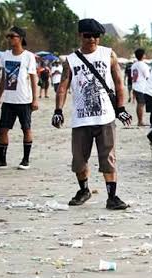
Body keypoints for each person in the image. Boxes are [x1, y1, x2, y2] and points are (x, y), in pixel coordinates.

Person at [50, 18, 132, 210]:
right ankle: (84, 190)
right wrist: (58, 111)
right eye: (88, 36)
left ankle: (112, 197)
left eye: (96, 36)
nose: (93, 39)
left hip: (105, 117)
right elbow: (63, 87)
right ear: (80, 35)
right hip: (80, 119)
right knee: (79, 159)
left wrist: (120, 109)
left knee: (108, 157)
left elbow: (119, 83)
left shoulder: (108, 54)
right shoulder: (71, 60)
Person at [0, 26, 39, 170]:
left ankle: (25, 159)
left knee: (26, 128)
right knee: (3, 129)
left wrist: (35, 99)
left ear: (21, 38)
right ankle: (2, 159)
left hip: (24, 100)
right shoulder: (5, 55)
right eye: (8, 36)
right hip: (8, 100)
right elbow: (3, 78)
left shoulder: (28, 56)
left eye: (12, 36)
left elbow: (33, 78)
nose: (10, 39)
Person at [130, 48, 150, 126]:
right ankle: (140, 121)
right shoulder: (144, 65)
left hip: (135, 85)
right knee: (141, 104)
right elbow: (147, 77)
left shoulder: (134, 65)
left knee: (139, 104)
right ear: (143, 56)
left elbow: (132, 77)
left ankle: (140, 120)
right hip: (141, 87)